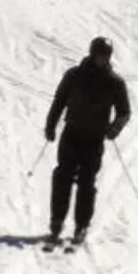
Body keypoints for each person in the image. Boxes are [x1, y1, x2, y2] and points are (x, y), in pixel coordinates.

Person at [43, 36, 130, 246]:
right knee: (62, 176)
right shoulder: (74, 76)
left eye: (105, 56)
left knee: (86, 182)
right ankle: (57, 221)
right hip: (72, 134)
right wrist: (51, 125)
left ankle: (81, 226)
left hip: (94, 139)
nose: (102, 59)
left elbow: (124, 112)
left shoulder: (114, 82)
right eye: (99, 55)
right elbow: (60, 100)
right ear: (92, 54)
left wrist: (114, 129)